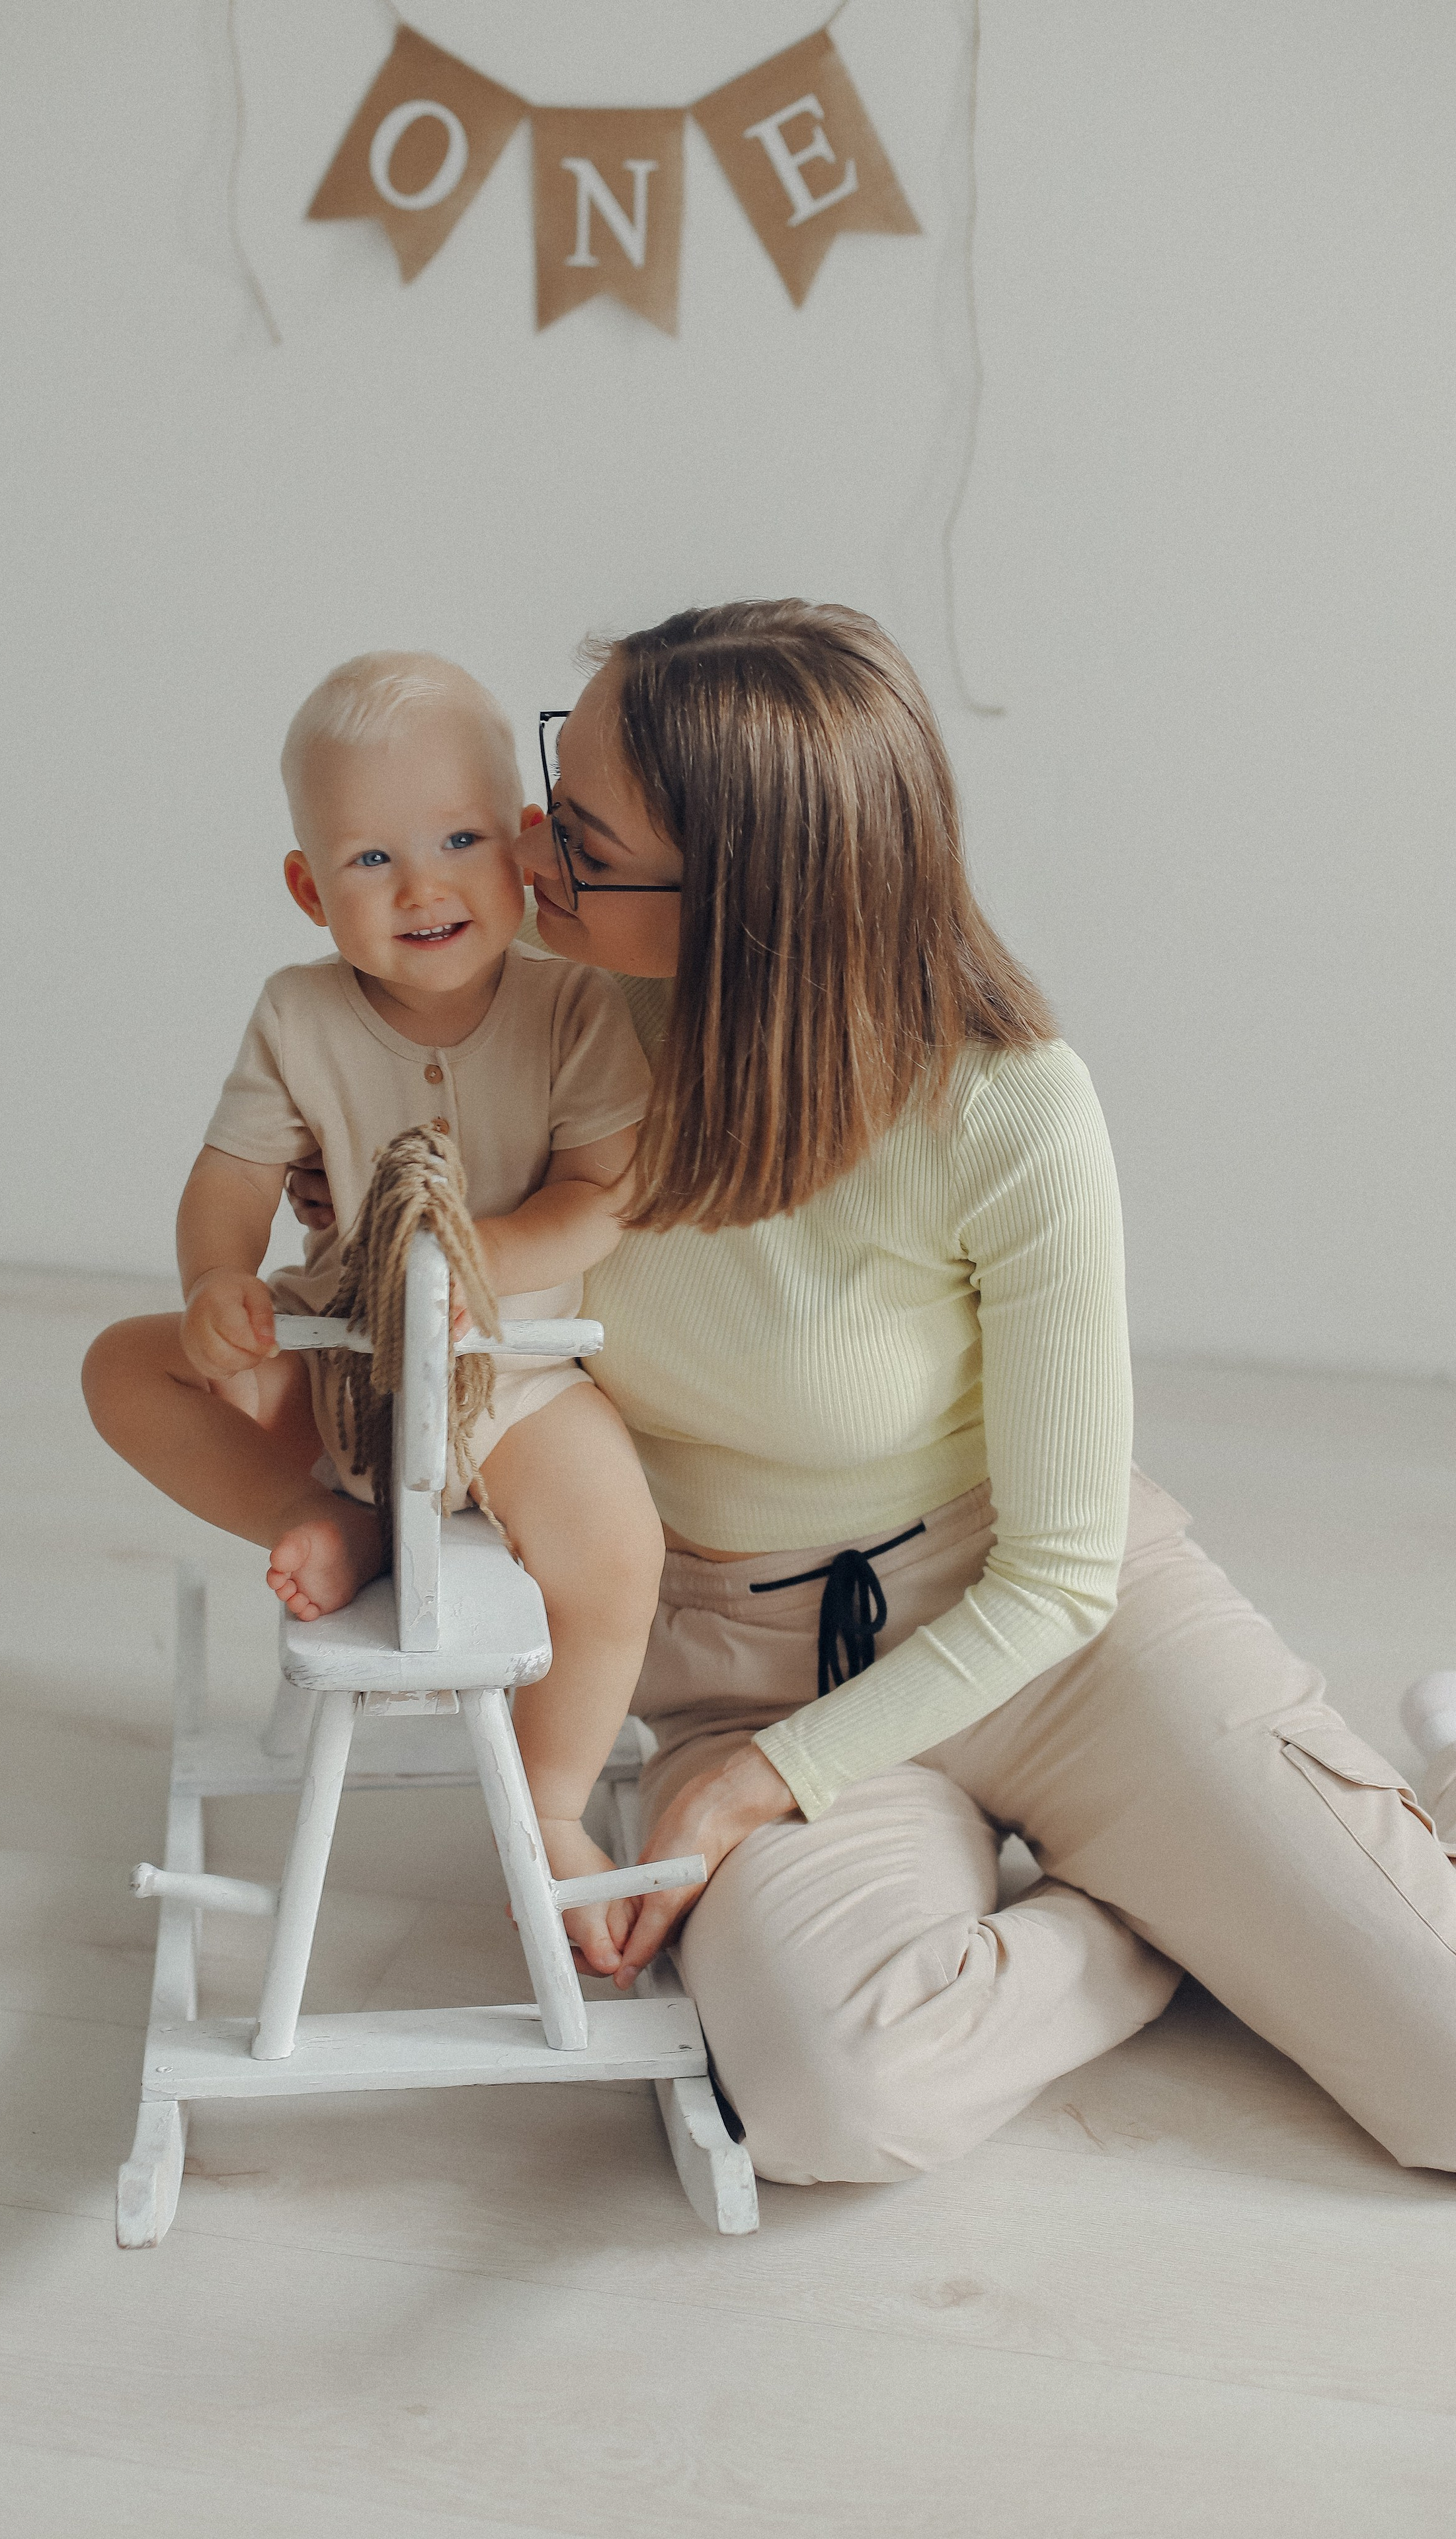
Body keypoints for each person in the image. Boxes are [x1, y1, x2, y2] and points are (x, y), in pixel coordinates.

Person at [289, 600, 1456, 2189]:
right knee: (835, 2100)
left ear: (738, 898)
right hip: (740, 1662)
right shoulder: (523, 1036)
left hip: (1055, 1633)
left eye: (589, 830)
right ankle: (1143, 1924)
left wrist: (762, 1801)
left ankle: (1351, 1822)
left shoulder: (1007, 1105)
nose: (528, 835)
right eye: (562, 775)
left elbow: (1053, 1576)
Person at [81, 651, 665, 1970]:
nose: (422, 887)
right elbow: (227, 1181)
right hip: (342, 1352)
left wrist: (478, 1265)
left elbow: (599, 1195)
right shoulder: (297, 1014)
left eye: (460, 838)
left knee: (617, 1549)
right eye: (369, 861)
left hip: (505, 1364)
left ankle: (555, 1803)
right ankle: (320, 1515)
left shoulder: (572, 1006)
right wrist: (216, 1287)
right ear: (307, 888)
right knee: (125, 1369)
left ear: (522, 848)